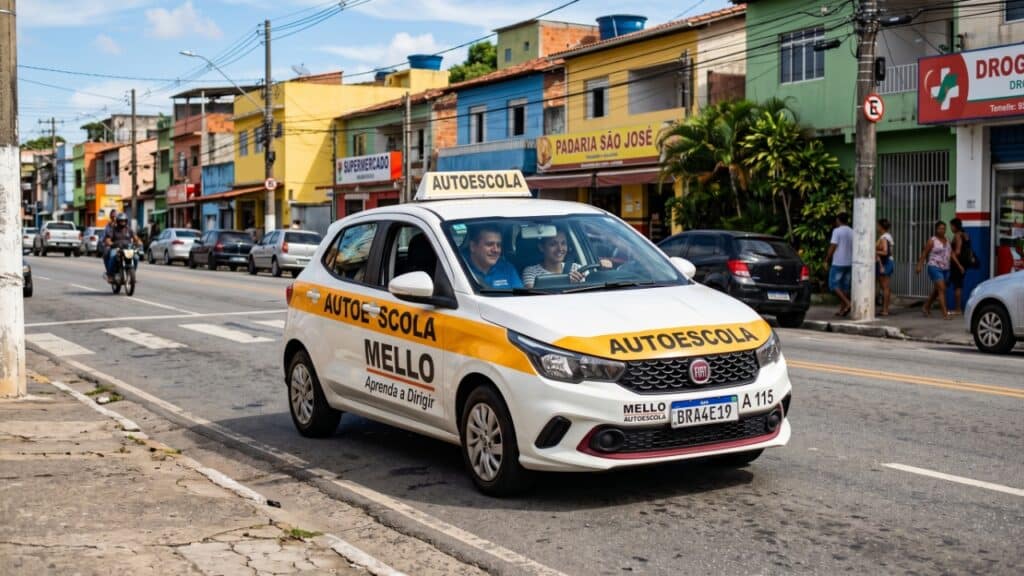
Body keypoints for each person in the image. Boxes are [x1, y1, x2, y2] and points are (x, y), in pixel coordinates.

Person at [915, 220, 959, 320]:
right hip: (934, 266)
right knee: (942, 289)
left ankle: (926, 306)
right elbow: (924, 253)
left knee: (938, 289)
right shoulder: (932, 240)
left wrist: (959, 265)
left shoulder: (947, 239)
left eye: (944, 228)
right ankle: (945, 314)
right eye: (940, 228)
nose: (942, 230)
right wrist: (919, 265)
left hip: (946, 268)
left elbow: (950, 253)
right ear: (936, 229)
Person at [463, 224, 523, 289]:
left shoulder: (508, 269)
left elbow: (520, 297)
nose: (496, 250)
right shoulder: (459, 269)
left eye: (498, 245)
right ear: (473, 246)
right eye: (489, 244)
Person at [825, 212, 854, 317]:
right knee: (844, 287)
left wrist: (827, 259)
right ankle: (842, 309)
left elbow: (833, 245)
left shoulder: (837, 231)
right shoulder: (852, 231)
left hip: (838, 262)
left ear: (838, 220)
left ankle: (848, 303)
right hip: (849, 262)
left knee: (833, 285)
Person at [103, 212, 141, 283]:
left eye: (124, 221)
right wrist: (111, 244)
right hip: (117, 248)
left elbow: (136, 238)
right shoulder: (113, 229)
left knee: (136, 257)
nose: (122, 222)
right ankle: (110, 275)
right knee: (113, 256)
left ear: (126, 221)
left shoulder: (129, 229)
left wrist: (139, 243)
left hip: (128, 249)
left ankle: (132, 274)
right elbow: (108, 239)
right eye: (121, 221)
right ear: (118, 221)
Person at [949, 218, 970, 314]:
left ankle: (958, 309)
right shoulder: (965, 234)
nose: (951, 228)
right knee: (958, 285)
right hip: (963, 263)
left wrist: (950, 253)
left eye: (951, 226)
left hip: (958, 264)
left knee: (957, 286)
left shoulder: (957, 235)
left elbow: (957, 251)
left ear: (955, 226)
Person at [875, 219, 894, 316]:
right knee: (885, 287)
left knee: (885, 287)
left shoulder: (883, 238)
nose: (876, 227)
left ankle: (885, 310)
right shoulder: (888, 236)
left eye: (877, 225)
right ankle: (885, 308)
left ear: (881, 226)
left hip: (884, 263)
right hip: (888, 262)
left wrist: (873, 251)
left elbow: (885, 252)